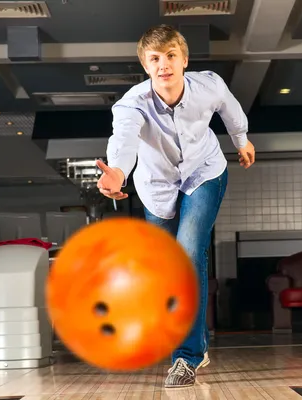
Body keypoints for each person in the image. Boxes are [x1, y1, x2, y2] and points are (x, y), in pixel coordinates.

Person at [95, 24, 255, 388]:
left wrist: (241, 140)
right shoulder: (132, 104)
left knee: (187, 254)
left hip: (205, 172)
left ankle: (186, 358)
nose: (163, 64)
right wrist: (116, 172)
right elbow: (123, 142)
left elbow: (229, 108)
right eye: (155, 59)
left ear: (184, 60)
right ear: (146, 66)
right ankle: (194, 342)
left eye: (170, 56)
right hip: (158, 188)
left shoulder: (208, 85)